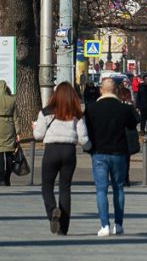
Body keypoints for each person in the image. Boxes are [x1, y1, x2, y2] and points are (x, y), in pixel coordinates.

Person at [33, 82, 90, 235]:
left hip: (51, 151)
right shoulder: (76, 113)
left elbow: (38, 135)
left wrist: (34, 129)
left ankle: (52, 211)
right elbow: (83, 138)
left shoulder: (46, 112)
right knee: (65, 188)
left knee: (47, 186)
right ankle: (63, 228)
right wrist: (90, 148)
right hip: (69, 151)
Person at [84, 77, 138, 236]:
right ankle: (119, 224)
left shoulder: (92, 108)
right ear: (115, 90)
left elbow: (86, 129)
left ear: (101, 90)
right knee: (118, 188)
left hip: (99, 153)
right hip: (119, 152)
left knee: (101, 189)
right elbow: (133, 123)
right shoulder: (123, 108)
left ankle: (104, 225)